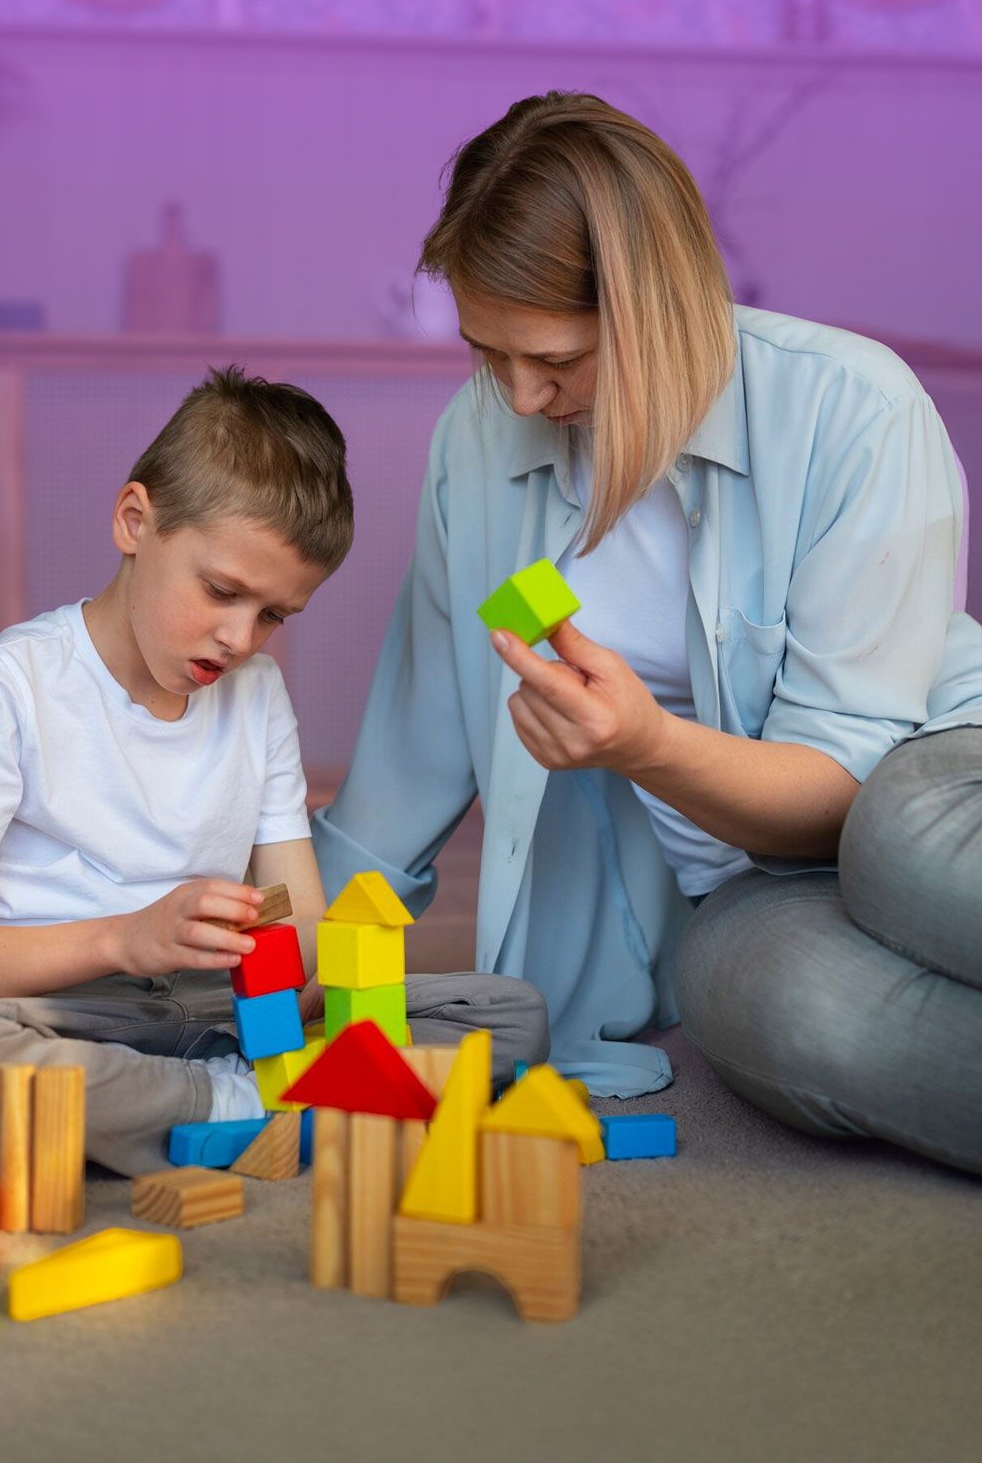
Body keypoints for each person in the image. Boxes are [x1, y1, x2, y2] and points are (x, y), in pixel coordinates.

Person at [311, 91, 982, 1174]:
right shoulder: (478, 443)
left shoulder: (852, 407)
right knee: (774, 1004)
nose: (520, 398)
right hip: (753, 883)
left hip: (924, 785)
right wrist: (275, 948)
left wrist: (647, 746)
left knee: (902, 847)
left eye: (558, 361)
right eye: (489, 354)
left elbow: (844, 790)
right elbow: (411, 756)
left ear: (657, 310)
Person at [0, 368, 548, 1178]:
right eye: (222, 591)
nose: (240, 639)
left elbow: (300, 919)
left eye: (273, 614)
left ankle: (172, 1105)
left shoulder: (257, 694)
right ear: (135, 522)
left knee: (507, 1014)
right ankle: (234, 1105)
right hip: (54, 1010)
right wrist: (124, 938)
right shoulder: (3, 684)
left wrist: (314, 974)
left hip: (216, 1011)